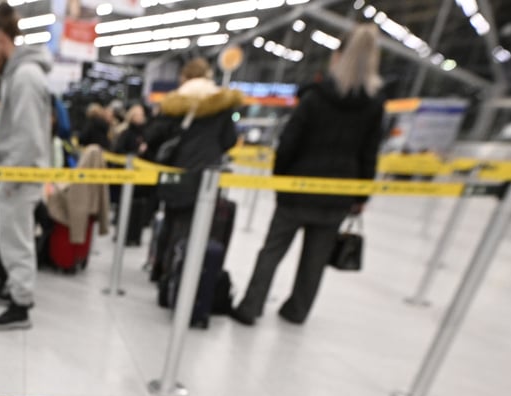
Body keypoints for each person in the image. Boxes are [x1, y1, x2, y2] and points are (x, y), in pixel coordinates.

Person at [231, 24, 385, 326]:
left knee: (272, 251)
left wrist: (281, 177)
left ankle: (251, 306)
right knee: (315, 259)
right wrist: (362, 195)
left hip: (297, 188)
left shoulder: (315, 98)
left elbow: (289, 142)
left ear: (338, 56)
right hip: (339, 195)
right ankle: (297, 311)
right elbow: (370, 153)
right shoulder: (374, 106)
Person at [0, 2, 53, 331]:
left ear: (1, 39)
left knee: (16, 240)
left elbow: (29, 138)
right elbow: (19, 127)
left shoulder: (23, 77)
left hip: (19, 175)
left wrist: (10, 178)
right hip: (17, 171)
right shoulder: (17, 76)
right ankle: (16, 291)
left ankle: (21, 306)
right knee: (13, 237)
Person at [143, 58, 243, 280]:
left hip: (175, 173)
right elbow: (229, 140)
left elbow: (153, 136)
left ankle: (162, 269)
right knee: (194, 228)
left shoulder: (175, 103)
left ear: (184, 77)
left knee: (170, 221)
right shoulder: (222, 104)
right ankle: (179, 276)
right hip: (205, 177)